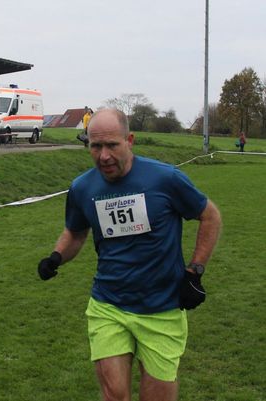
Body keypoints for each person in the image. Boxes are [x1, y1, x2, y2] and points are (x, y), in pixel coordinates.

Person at [38, 109, 222, 401]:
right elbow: (75, 232)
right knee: (115, 395)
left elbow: (210, 216)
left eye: (112, 145)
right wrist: (56, 257)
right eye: (95, 146)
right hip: (108, 305)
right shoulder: (82, 187)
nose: (104, 156)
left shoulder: (165, 179)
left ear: (130, 140)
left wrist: (195, 271)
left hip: (162, 308)